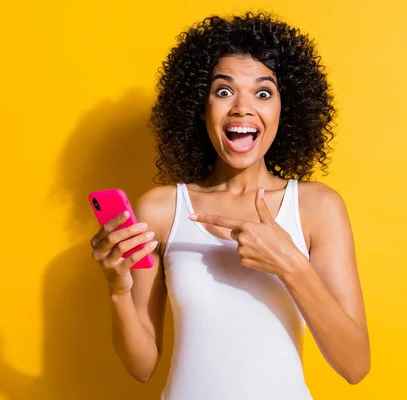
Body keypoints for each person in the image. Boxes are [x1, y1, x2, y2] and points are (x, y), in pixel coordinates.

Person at [90, 12, 370, 399]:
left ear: (283, 110)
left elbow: (355, 366)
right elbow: (142, 366)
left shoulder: (317, 207)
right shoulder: (160, 210)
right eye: (223, 91)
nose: (241, 107)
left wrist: (290, 263)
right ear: (200, 107)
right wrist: (118, 291)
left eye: (263, 92)